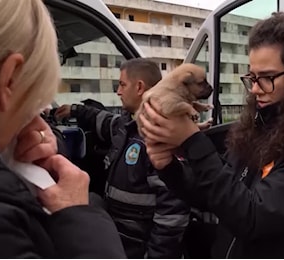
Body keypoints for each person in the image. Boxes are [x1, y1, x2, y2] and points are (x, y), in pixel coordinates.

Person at [139, 11, 284, 258]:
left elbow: (252, 217)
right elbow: (215, 197)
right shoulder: (257, 129)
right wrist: (169, 168)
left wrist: (193, 142)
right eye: (252, 77)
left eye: (267, 78)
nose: (255, 88)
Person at [0, 0, 125, 258]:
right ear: (9, 79)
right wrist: (80, 218)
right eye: (33, 102)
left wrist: (47, 144)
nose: (34, 120)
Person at [55, 58, 190, 258]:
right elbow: (104, 121)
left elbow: (172, 213)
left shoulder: (161, 134)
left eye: (122, 84)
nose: (118, 91)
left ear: (139, 87)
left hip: (137, 244)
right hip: (119, 235)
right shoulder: (129, 123)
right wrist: (74, 110)